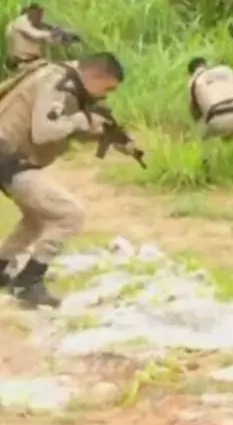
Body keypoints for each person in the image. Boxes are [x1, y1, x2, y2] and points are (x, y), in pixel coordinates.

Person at [0, 53, 136, 308]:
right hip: (8, 160)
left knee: (37, 217)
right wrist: (83, 120)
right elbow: (44, 133)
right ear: (95, 75)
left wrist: (105, 135)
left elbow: (61, 128)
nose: (106, 95)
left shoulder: (67, 82)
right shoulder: (58, 82)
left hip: (10, 158)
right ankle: (29, 282)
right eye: (107, 88)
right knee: (68, 214)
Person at [5, 3, 57, 71]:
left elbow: (48, 41)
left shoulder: (24, 24)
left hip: (29, 61)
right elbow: (35, 34)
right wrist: (52, 33)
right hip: (24, 62)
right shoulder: (21, 22)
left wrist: (59, 38)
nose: (40, 16)